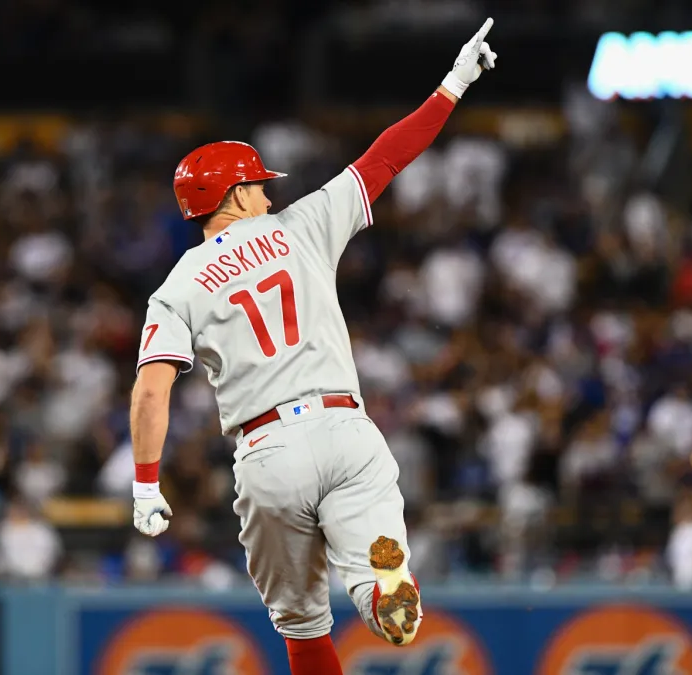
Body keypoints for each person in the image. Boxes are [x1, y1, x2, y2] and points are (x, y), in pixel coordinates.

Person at [128, 18, 499, 675]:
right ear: (235, 193)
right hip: (345, 427)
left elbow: (151, 390)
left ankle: (368, 587)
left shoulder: (176, 287)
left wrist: (147, 482)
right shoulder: (299, 225)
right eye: (258, 183)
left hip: (268, 450)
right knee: (372, 561)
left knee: (301, 625)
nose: (269, 190)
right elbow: (386, 156)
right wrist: (453, 83)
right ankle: (379, 582)